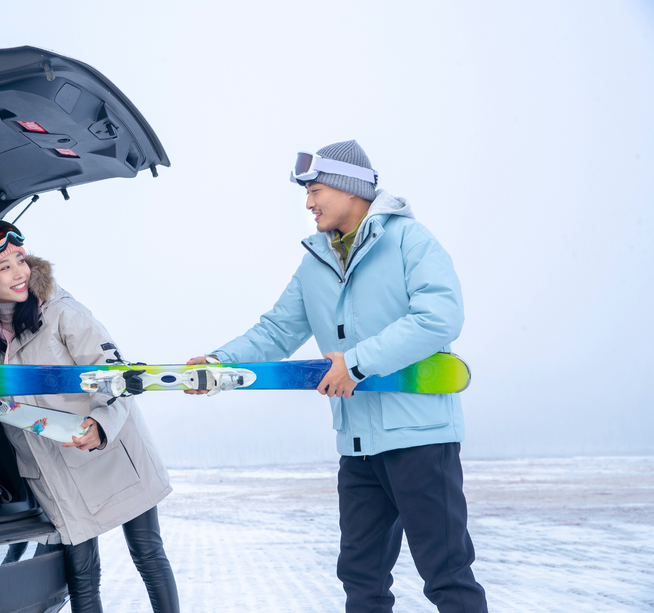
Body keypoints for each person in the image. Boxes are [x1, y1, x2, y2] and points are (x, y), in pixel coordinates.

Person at [187, 141, 488, 612]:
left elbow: (439, 318)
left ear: (350, 188)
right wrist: (217, 363)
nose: (308, 203)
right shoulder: (316, 261)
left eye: (316, 188)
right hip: (359, 445)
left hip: (420, 439)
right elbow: (277, 330)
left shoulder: (410, 241)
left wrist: (357, 362)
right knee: (360, 576)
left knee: (445, 574)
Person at [0, 220, 179, 613]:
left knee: (147, 553)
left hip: (110, 452)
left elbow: (115, 374)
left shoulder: (62, 313)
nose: (19, 273)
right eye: (3, 267)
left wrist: (101, 424)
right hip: (52, 467)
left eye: (20, 260)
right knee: (82, 574)